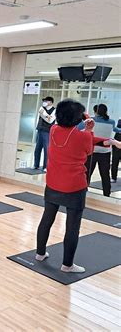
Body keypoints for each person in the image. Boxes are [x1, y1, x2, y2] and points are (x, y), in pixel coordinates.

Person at [35, 99, 121, 273]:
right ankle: (67, 265)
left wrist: (109, 140)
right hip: (74, 187)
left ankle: (40, 253)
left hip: (53, 183)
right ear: (76, 119)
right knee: (72, 226)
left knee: (47, 219)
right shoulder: (82, 136)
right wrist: (90, 128)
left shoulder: (54, 130)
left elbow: (82, 136)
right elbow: (89, 148)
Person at [79, 104, 121, 196]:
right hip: (105, 152)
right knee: (105, 175)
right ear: (106, 111)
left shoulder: (90, 121)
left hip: (92, 151)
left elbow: (80, 129)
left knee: (87, 174)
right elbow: (117, 130)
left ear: (95, 111)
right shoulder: (112, 122)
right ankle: (107, 194)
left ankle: (83, 192)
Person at [33, 96, 55, 172]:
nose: (44, 102)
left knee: (47, 149)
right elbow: (47, 118)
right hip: (40, 130)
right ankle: (36, 165)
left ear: (51, 102)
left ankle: (46, 166)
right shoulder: (41, 108)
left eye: (46, 101)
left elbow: (50, 120)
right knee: (37, 149)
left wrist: (45, 115)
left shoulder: (54, 110)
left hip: (47, 131)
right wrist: (47, 116)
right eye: (44, 101)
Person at [111, 119, 121, 183]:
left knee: (115, 161)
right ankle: (113, 177)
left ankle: (113, 178)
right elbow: (117, 129)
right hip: (117, 142)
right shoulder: (120, 121)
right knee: (115, 161)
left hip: (117, 142)